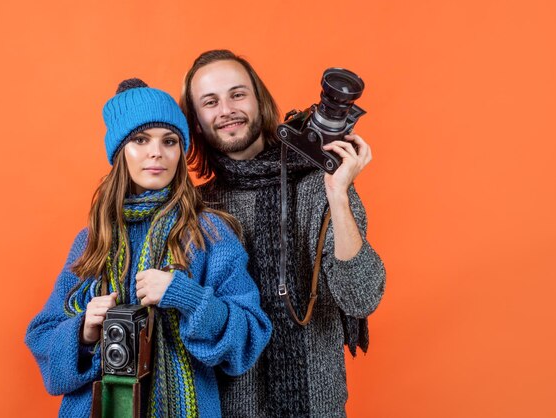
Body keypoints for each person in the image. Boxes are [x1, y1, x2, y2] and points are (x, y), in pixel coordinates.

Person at [25, 78, 272, 418]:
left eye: (169, 141)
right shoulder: (92, 241)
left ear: (180, 153)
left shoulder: (210, 233)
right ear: (120, 150)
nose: (156, 152)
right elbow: (42, 338)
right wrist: (83, 331)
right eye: (141, 140)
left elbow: (248, 336)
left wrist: (185, 296)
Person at [180, 50, 386, 417]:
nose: (226, 109)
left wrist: (338, 194)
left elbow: (361, 297)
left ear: (259, 100)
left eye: (237, 94)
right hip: (225, 408)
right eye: (210, 102)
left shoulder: (318, 185)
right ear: (196, 121)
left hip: (315, 406)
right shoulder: (195, 209)